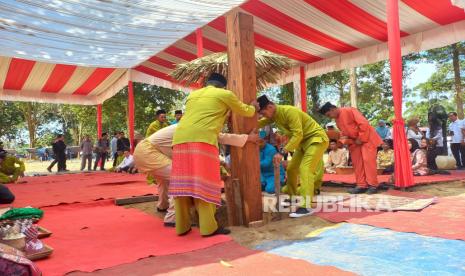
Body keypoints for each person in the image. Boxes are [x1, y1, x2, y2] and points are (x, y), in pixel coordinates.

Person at [170, 73, 256, 237]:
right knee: (205, 183)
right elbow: (246, 111)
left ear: (208, 83)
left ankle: (182, 226)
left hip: (179, 139)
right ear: (223, 86)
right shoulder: (225, 94)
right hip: (203, 141)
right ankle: (208, 227)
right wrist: (253, 108)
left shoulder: (193, 95)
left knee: (183, 184)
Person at [133, 124, 257, 226]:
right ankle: (172, 218)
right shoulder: (196, 127)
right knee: (179, 180)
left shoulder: (188, 126)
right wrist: (247, 138)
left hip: (143, 151)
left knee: (164, 180)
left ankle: (162, 206)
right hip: (149, 152)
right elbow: (221, 137)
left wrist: (220, 162)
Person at [258, 95, 329, 217]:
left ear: (270, 106)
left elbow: (298, 134)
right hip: (303, 144)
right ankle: (292, 197)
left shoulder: (289, 111)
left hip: (316, 139)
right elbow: (258, 124)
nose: (263, 116)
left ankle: (306, 206)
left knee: (305, 169)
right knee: (291, 169)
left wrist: (282, 152)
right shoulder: (274, 116)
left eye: (263, 113)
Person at [320, 102, 382, 194]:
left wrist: (361, 138)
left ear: (332, 109)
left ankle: (373, 185)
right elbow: (344, 133)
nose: (330, 117)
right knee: (357, 163)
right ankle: (361, 185)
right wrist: (344, 141)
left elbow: (364, 124)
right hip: (354, 142)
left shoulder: (349, 110)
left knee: (367, 161)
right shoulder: (337, 120)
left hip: (367, 138)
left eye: (329, 114)